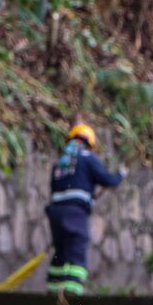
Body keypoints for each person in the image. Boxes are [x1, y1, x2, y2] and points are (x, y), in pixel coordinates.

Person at [45, 123, 125, 295]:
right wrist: (121, 174)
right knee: (76, 251)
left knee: (60, 252)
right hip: (75, 213)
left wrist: (87, 199)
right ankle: (72, 296)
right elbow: (107, 180)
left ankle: (52, 293)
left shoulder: (61, 162)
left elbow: (59, 188)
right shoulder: (87, 158)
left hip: (56, 214)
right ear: (89, 143)